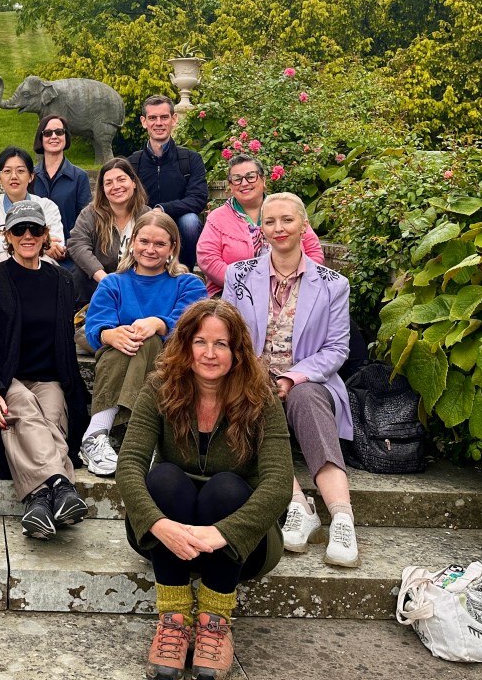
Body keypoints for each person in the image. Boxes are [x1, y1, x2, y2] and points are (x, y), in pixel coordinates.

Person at [116, 300, 293, 680]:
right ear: (185, 344)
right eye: (200, 342)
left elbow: (279, 484)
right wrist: (159, 525)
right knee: (162, 477)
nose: (209, 354)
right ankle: (174, 619)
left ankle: (214, 622)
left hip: (241, 543)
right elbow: (129, 464)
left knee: (227, 488)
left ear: (237, 350)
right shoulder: (160, 387)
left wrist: (222, 532)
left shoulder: (260, 396)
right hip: (171, 536)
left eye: (221, 344)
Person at [222, 192, 359, 568]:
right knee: (247, 397)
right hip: (249, 377)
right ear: (261, 228)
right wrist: (255, 375)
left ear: (304, 225)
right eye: (270, 222)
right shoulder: (240, 276)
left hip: (308, 379)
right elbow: (229, 336)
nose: (278, 228)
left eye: (287, 220)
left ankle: (342, 517)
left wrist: (292, 377)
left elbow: (336, 349)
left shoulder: (333, 284)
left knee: (307, 399)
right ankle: (298, 503)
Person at [0, 201, 90, 539]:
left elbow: (67, 340)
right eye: (19, 229)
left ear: (45, 234)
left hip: (50, 376)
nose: (27, 235)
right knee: (21, 409)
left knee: (52, 416)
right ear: (7, 235)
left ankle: (38, 501)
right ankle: (61, 487)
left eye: (34, 229)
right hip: (7, 378)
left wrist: (72, 390)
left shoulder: (63, 281)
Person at [80, 210, 207, 476]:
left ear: (173, 247)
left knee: (146, 340)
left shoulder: (188, 284)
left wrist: (158, 324)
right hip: (118, 356)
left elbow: (193, 322)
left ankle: (98, 430)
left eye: (160, 244)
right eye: (144, 241)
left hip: (170, 362)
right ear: (132, 242)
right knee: (124, 341)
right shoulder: (113, 283)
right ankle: (118, 438)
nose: (151, 249)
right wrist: (109, 335)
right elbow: (95, 325)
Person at [198, 154, 324, 297]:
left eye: (251, 176)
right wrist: (244, 285)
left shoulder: (287, 208)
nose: (244, 183)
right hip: (234, 292)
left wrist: (294, 282)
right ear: (231, 186)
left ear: (263, 180)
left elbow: (314, 252)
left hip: (294, 290)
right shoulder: (217, 218)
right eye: (237, 179)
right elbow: (207, 258)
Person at [127, 95, 207, 270]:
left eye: (164, 117)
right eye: (152, 118)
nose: (159, 123)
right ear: (144, 121)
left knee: (190, 222)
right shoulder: (133, 163)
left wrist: (163, 209)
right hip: (142, 220)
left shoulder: (190, 159)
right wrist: (149, 214)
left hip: (178, 222)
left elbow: (198, 198)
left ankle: (183, 272)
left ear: (174, 119)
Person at [68, 157, 151, 303]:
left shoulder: (148, 216)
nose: (116, 186)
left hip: (140, 283)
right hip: (100, 284)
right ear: (102, 189)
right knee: (79, 272)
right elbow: (77, 244)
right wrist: (104, 279)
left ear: (133, 183)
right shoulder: (90, 214)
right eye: (109, 183)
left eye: (121, 179)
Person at [0, 146, 65, 266]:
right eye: (7, 171)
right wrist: (40, 242)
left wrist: (4, 236)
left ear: (31, 177)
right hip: (0, 271)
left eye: (21, 171)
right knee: (4, 257)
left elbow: (57, 244)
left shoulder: (47, 206)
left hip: (39, 268)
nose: (14, 176)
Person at [30, 114, 92, 248]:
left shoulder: (79, 177)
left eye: (59, 132)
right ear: (40, 138)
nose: (54, 136)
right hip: (34, 251)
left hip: (69, 253)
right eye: (47, 133)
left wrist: (66, 248)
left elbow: (85, 222)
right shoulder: (30, 177)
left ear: (66, 137)